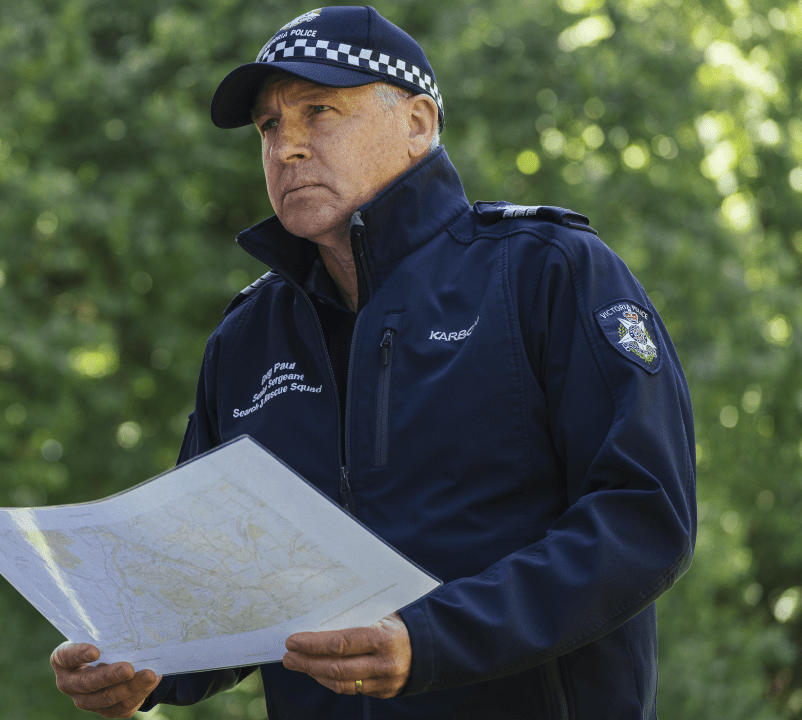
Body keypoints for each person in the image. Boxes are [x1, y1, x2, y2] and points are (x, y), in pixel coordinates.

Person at [50, 6, 696, 719]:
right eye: (269, 126)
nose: (286, 146)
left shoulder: (550, 273)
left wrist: (429, 640)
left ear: (417, 123)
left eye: (319, 111)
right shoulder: (246, 339)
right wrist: (140, 659)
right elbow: (219, 583)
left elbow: (642, 517)